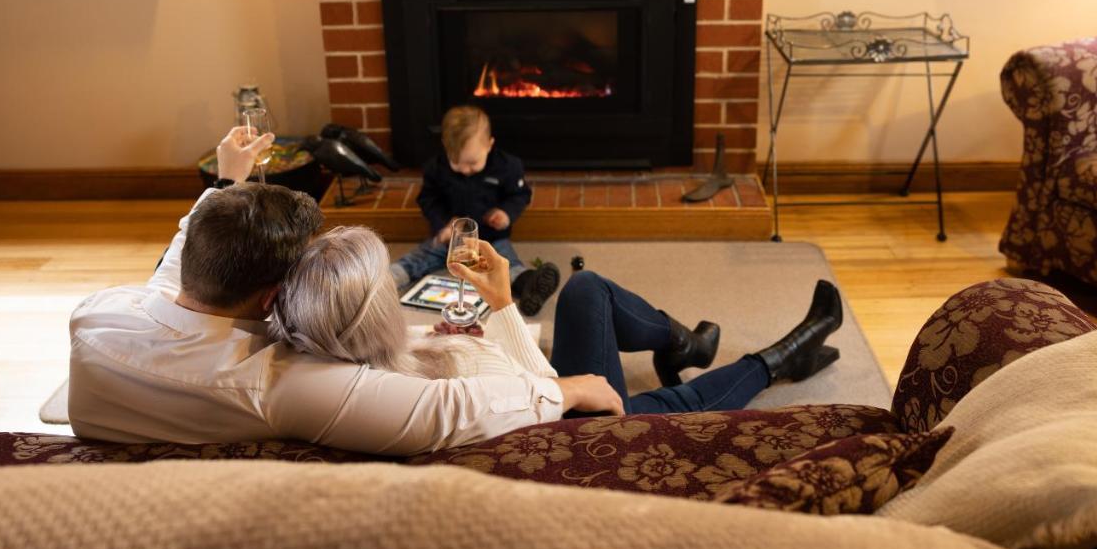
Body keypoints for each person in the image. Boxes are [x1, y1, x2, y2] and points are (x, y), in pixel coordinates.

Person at [67, 125, 621, 455]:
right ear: (273, 299)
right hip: (585, 414)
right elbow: (443, 409)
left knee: (589, 295)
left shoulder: (99, 317)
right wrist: (567, 393)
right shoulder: (275, 384)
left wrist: (226, 182)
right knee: (591, 293)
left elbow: (177, 261)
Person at [274, 230, 844, 424]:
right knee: (677, 404)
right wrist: (500, 307)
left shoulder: (323, 350)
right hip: (565, 423)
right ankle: (787, 354)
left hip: (535, 395)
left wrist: (436, 338)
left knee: (586, 289)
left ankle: (683, 341)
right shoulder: (437, 400)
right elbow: (534, 380)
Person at [390, 106, 560, 316]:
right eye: (457, 164)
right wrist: (443, 223)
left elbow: (520, 195)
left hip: (491, 238)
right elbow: (428, 199)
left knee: (503, 263)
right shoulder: (435, 168)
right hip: (451, 239)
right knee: (421, 256)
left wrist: (505, 213)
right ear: (445, 147)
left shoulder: (507, 166)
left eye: (472, 163)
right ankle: (384, 281)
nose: (465, 170)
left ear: (489, 145)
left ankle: (527, 284)